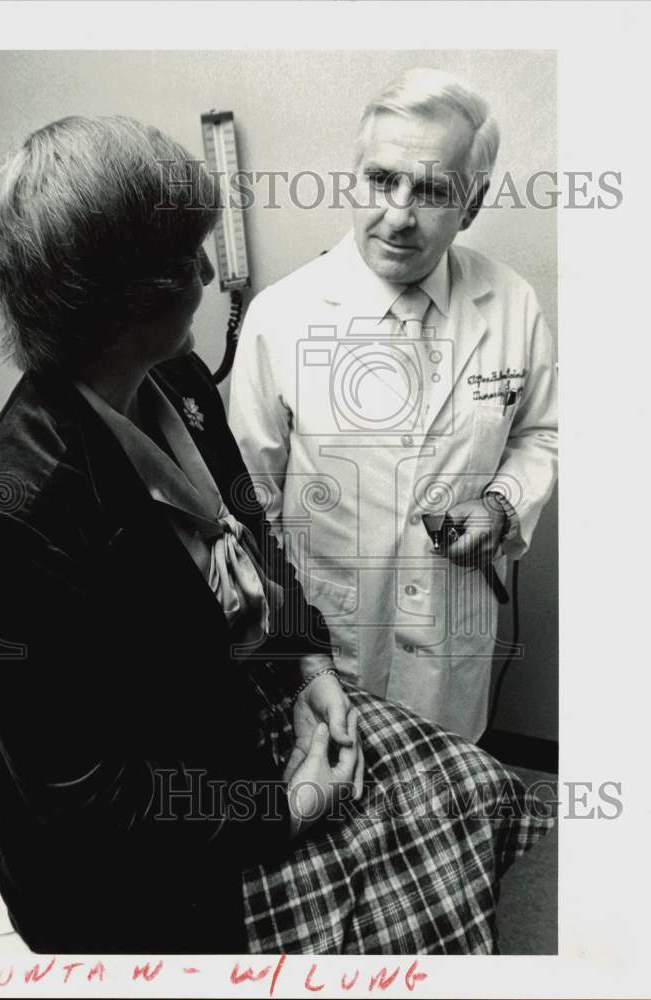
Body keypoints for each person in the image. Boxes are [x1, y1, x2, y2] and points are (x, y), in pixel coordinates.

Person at [0, 114, 551, 957]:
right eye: (187, 259)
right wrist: (286, 809)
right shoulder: (21, 511)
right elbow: (88, 810)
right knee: (416, 917)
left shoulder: (174, 381)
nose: (210, 273)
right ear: (119, 299)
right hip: (143, 860)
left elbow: (250, 526)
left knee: (475, 782)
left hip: (227, 719)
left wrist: (308, 661)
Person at [230, 68, 558, 742]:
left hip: (451, 638)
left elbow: (542, 433)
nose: (398, 215)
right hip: (329, 644)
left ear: (470, 204)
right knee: (343, 816)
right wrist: (286, 648)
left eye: (433, 190)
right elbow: (246, 506)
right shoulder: (282, 317)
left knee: (446, 807)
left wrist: (499, 505)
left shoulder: (511, 303)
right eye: (381, 180)